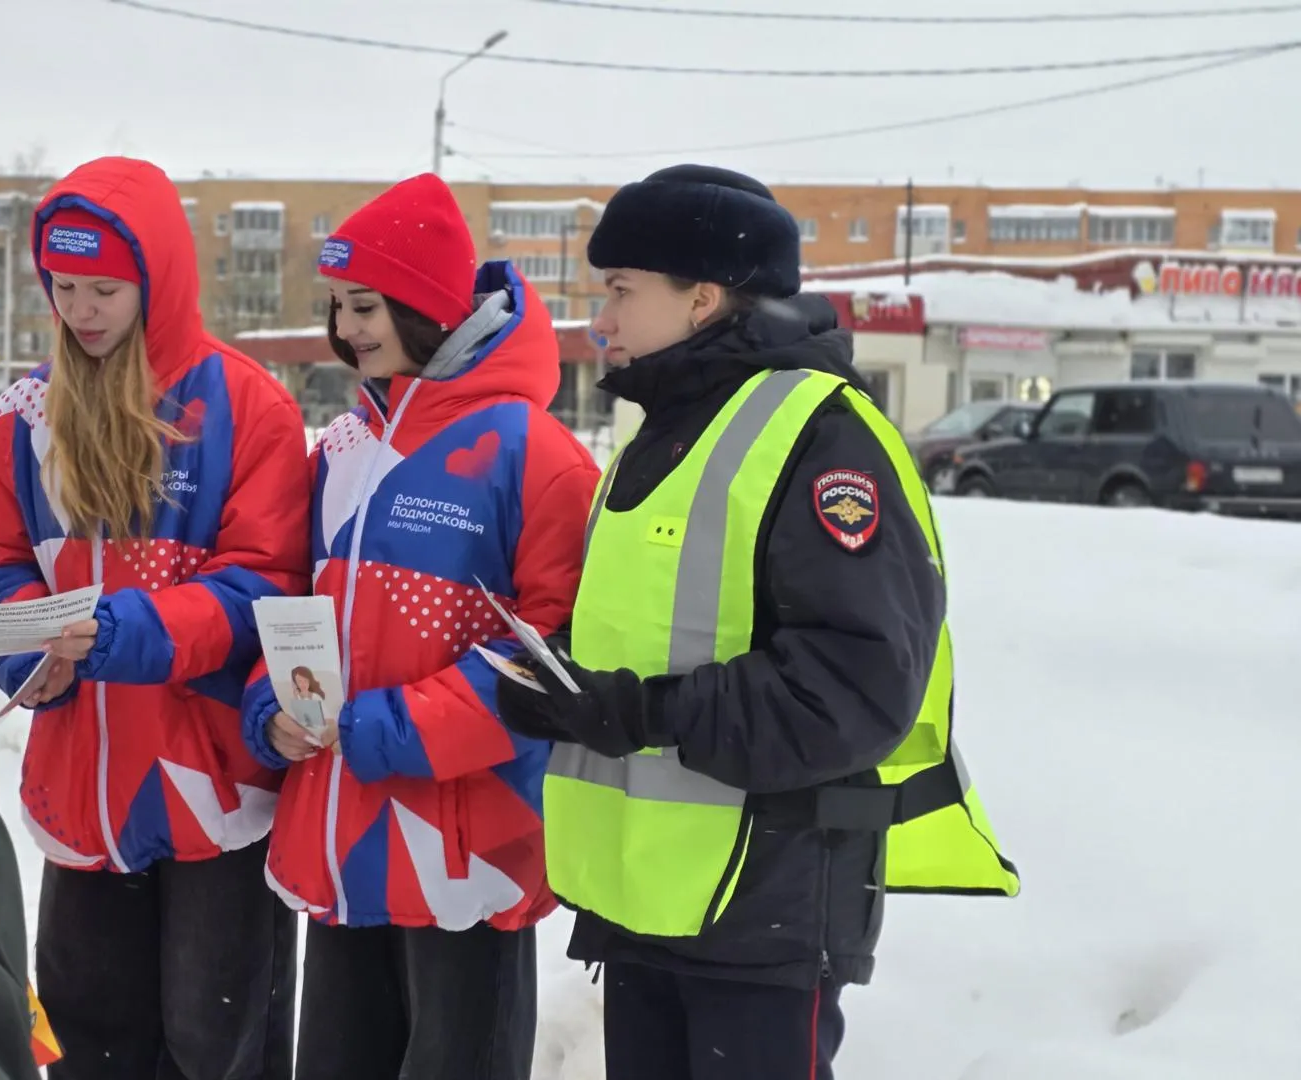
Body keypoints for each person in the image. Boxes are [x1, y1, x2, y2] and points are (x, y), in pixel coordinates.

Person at [495, 165, 1020, 1080]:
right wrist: (568, 688)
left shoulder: (824, 435)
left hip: (765, 905)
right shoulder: (661, 434)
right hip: (648, 900)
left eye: (620, 291)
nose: (601, 320)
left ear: (701, 299)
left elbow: (851, 689)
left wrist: (644, 715)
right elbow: (665, 633)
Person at [241, 174, 600, 1080]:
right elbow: (287, 607)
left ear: (427, 306)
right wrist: (269, 706)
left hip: (464, 848)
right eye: (336, 306)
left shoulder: (536, 453)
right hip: (341, 834)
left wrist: (382, 729)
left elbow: (548, 655)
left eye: (365, 305)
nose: (347, 327)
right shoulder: (343, 448)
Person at [0, 156, 311, 1080]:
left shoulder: (248, 405)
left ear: (158, 278)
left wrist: (128, 635)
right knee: (88, 1033)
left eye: (106, 288)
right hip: (80, 783)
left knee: (218, 1038)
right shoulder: (20, 415)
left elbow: (268, 584)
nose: (82, 309)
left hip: (214, 779)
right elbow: (0, 563)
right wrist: (24, 652)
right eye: (65, 286)